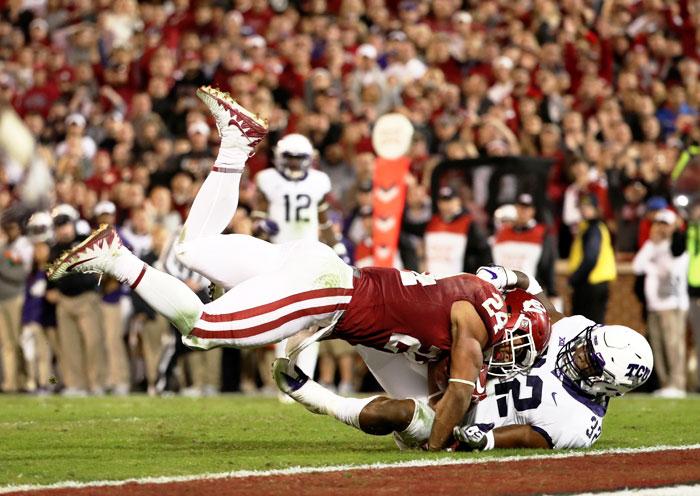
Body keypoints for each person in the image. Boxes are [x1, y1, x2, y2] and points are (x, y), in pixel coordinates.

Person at [48, 86, 549, 450]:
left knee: (191, 248)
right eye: (517, 344)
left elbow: (412, 417)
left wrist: (526, 284)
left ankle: (236, 144)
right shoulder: (471, 328)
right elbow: (457, 395)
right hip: (326, 292)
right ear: (508, 322)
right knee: (202, 326)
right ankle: (116, 255)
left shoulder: (483, 290)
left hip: (318, 265)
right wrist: (442, 442)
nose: (506, 356)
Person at [255, 132, 344, 392]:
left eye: (298, 158)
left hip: (309, 256)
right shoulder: (268, 181)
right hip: (279, 256)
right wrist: (261, 226)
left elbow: (324, 220)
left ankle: (305, 379)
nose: (294, 164)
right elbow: (258, 221)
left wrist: (336, 246)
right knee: (282, 319)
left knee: (312, 319)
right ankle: (285, 378)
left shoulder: (318, 182)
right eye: (290, 158)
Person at [632, 209, 688, 398]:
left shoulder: (677, 244)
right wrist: (651, 248)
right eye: (659, 223)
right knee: (657, 346)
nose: (661, 228)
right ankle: (666, 384)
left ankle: (677, 384)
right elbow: (637, 265)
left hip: (672, 303)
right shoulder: (652, 245)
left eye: (665, 224)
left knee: (673, 346)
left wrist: (654, 266)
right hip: (653, 304)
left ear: (673, 226)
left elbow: (672, 271)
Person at [492, 194, 557, 298]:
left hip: (529, 292)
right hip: (502, 291)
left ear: (533, 211)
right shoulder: (502, 234)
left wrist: (551, 290)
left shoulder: (542, 233)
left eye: (527, 208)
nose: (523, 212)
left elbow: (547, 263)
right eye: (520, 208)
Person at [567, 194, 617, 323]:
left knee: (588, 327)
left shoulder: (594, 228)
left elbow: (590, 258)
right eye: (582, 207)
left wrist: (575, 278)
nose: (584, 210)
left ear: (596, 209)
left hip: (592, 283)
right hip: (591, 282)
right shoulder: (588, 228)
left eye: (588, 207)